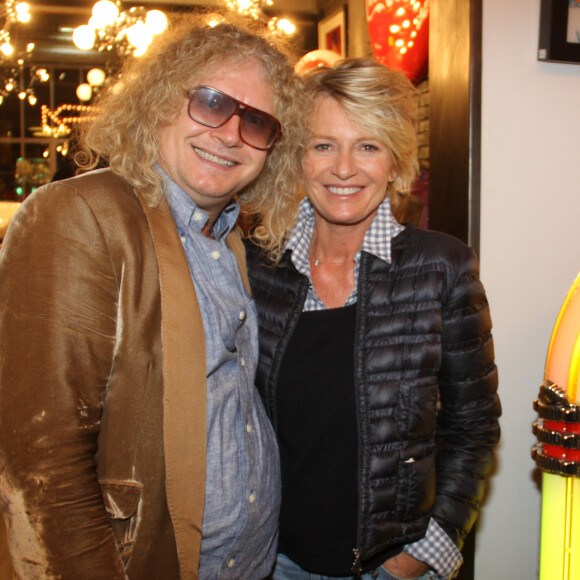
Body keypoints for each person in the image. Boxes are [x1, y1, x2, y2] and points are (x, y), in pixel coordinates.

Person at [0, 13, 305, 580]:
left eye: (258, 122)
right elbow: (41, 466)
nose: (231, 134)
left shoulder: (230, 239)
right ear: (161, 99)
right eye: (212, 102)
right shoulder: (78, 215)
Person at [246, 58, 501, 580]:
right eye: (323, 145)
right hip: (273, 562)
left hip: (390, 565)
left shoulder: (441, 268)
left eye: (367, 145)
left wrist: (417, 558)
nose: (344, 168)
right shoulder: (258, 268)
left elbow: (472, 428)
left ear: (395, 161)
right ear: (298, 158)